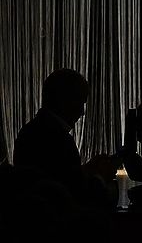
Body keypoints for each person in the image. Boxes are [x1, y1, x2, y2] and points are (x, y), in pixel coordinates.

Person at [12, 68, 118, 207]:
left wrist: (86, 170)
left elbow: (59, 177)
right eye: (81, 102)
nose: (82, 112)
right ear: (66, 101)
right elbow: (78, 197)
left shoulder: (30, 131)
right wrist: (101, 177)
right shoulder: (59, 139)